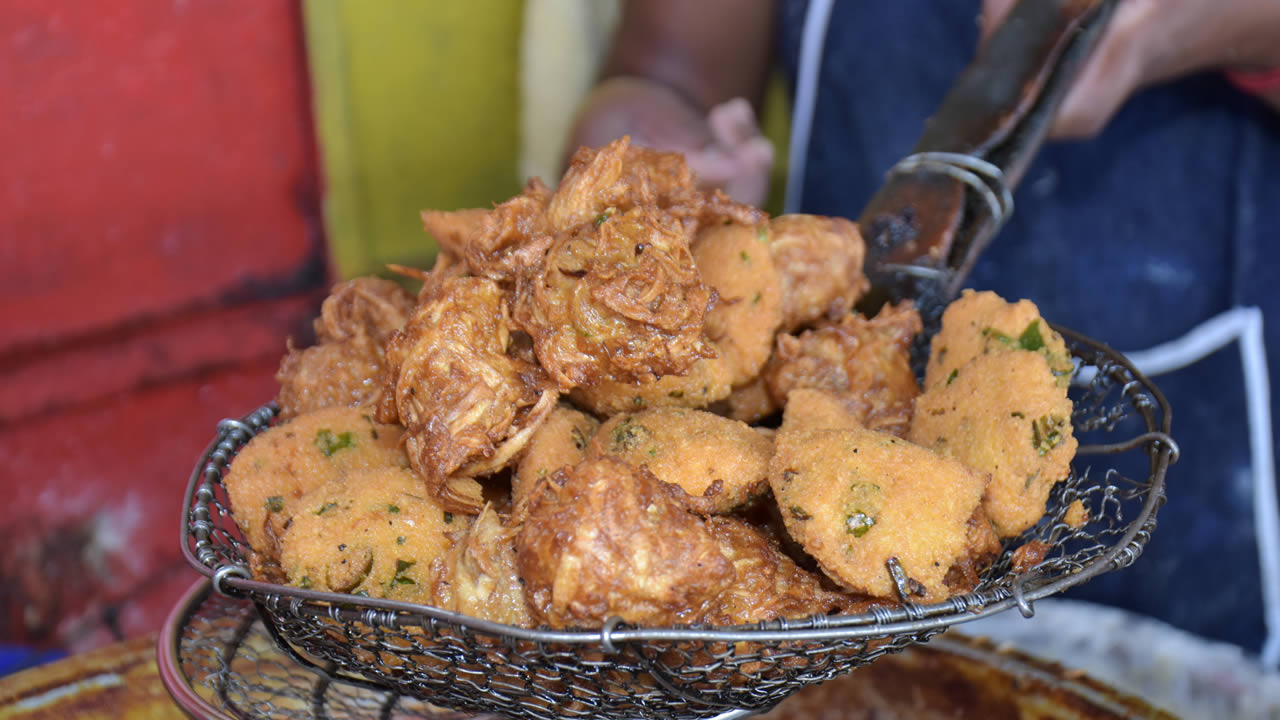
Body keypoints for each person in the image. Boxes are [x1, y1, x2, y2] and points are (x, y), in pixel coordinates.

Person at [567, 0, 1280, 665]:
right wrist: (656, 153)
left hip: (1210, 441)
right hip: (834, 379)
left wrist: (1191, 23)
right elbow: (670, 69)